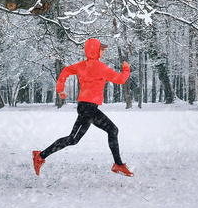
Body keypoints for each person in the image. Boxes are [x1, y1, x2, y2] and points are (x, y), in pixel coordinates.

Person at [33, 38, 134, 177]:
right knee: (73, 139)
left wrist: (60, 89)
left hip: (87, 107)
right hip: (88, 109)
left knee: (111, 130)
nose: (103, 51)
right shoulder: (101, 67)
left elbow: (65, 70)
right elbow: (121, 79)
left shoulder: (81, 65)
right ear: (95, 50)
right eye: (101, 49)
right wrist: (126, 68)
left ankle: (118, 165)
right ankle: (40, 156)